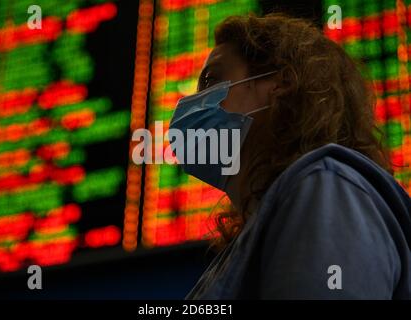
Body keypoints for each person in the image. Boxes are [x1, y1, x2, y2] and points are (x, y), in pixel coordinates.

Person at [168, 13, 411, 299]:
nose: (189, 104)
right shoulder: (256, 229)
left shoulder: (326, 185)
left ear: (280, 84)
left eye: (211, 80)